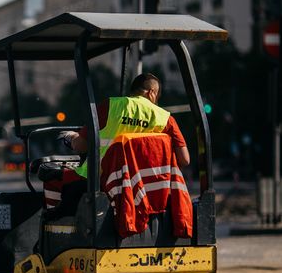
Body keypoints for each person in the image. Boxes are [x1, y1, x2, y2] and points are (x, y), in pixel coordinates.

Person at [48, 73, 190, 212]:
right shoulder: (166, 119)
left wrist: (71, 137)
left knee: (51, 178)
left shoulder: (110, 106)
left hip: (100, 183)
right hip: (149, 190)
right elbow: (184, 159)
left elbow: (81, 146)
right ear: (152, 92)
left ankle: (57, 226)